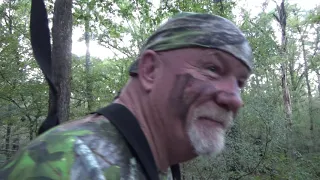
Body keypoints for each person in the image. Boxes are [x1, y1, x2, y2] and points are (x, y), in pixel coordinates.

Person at [0, 12, 253, 180]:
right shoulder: (68, 163)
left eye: (240, 83)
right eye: (212, 69)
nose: (234, 99)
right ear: (150, 70)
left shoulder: (137, 161)